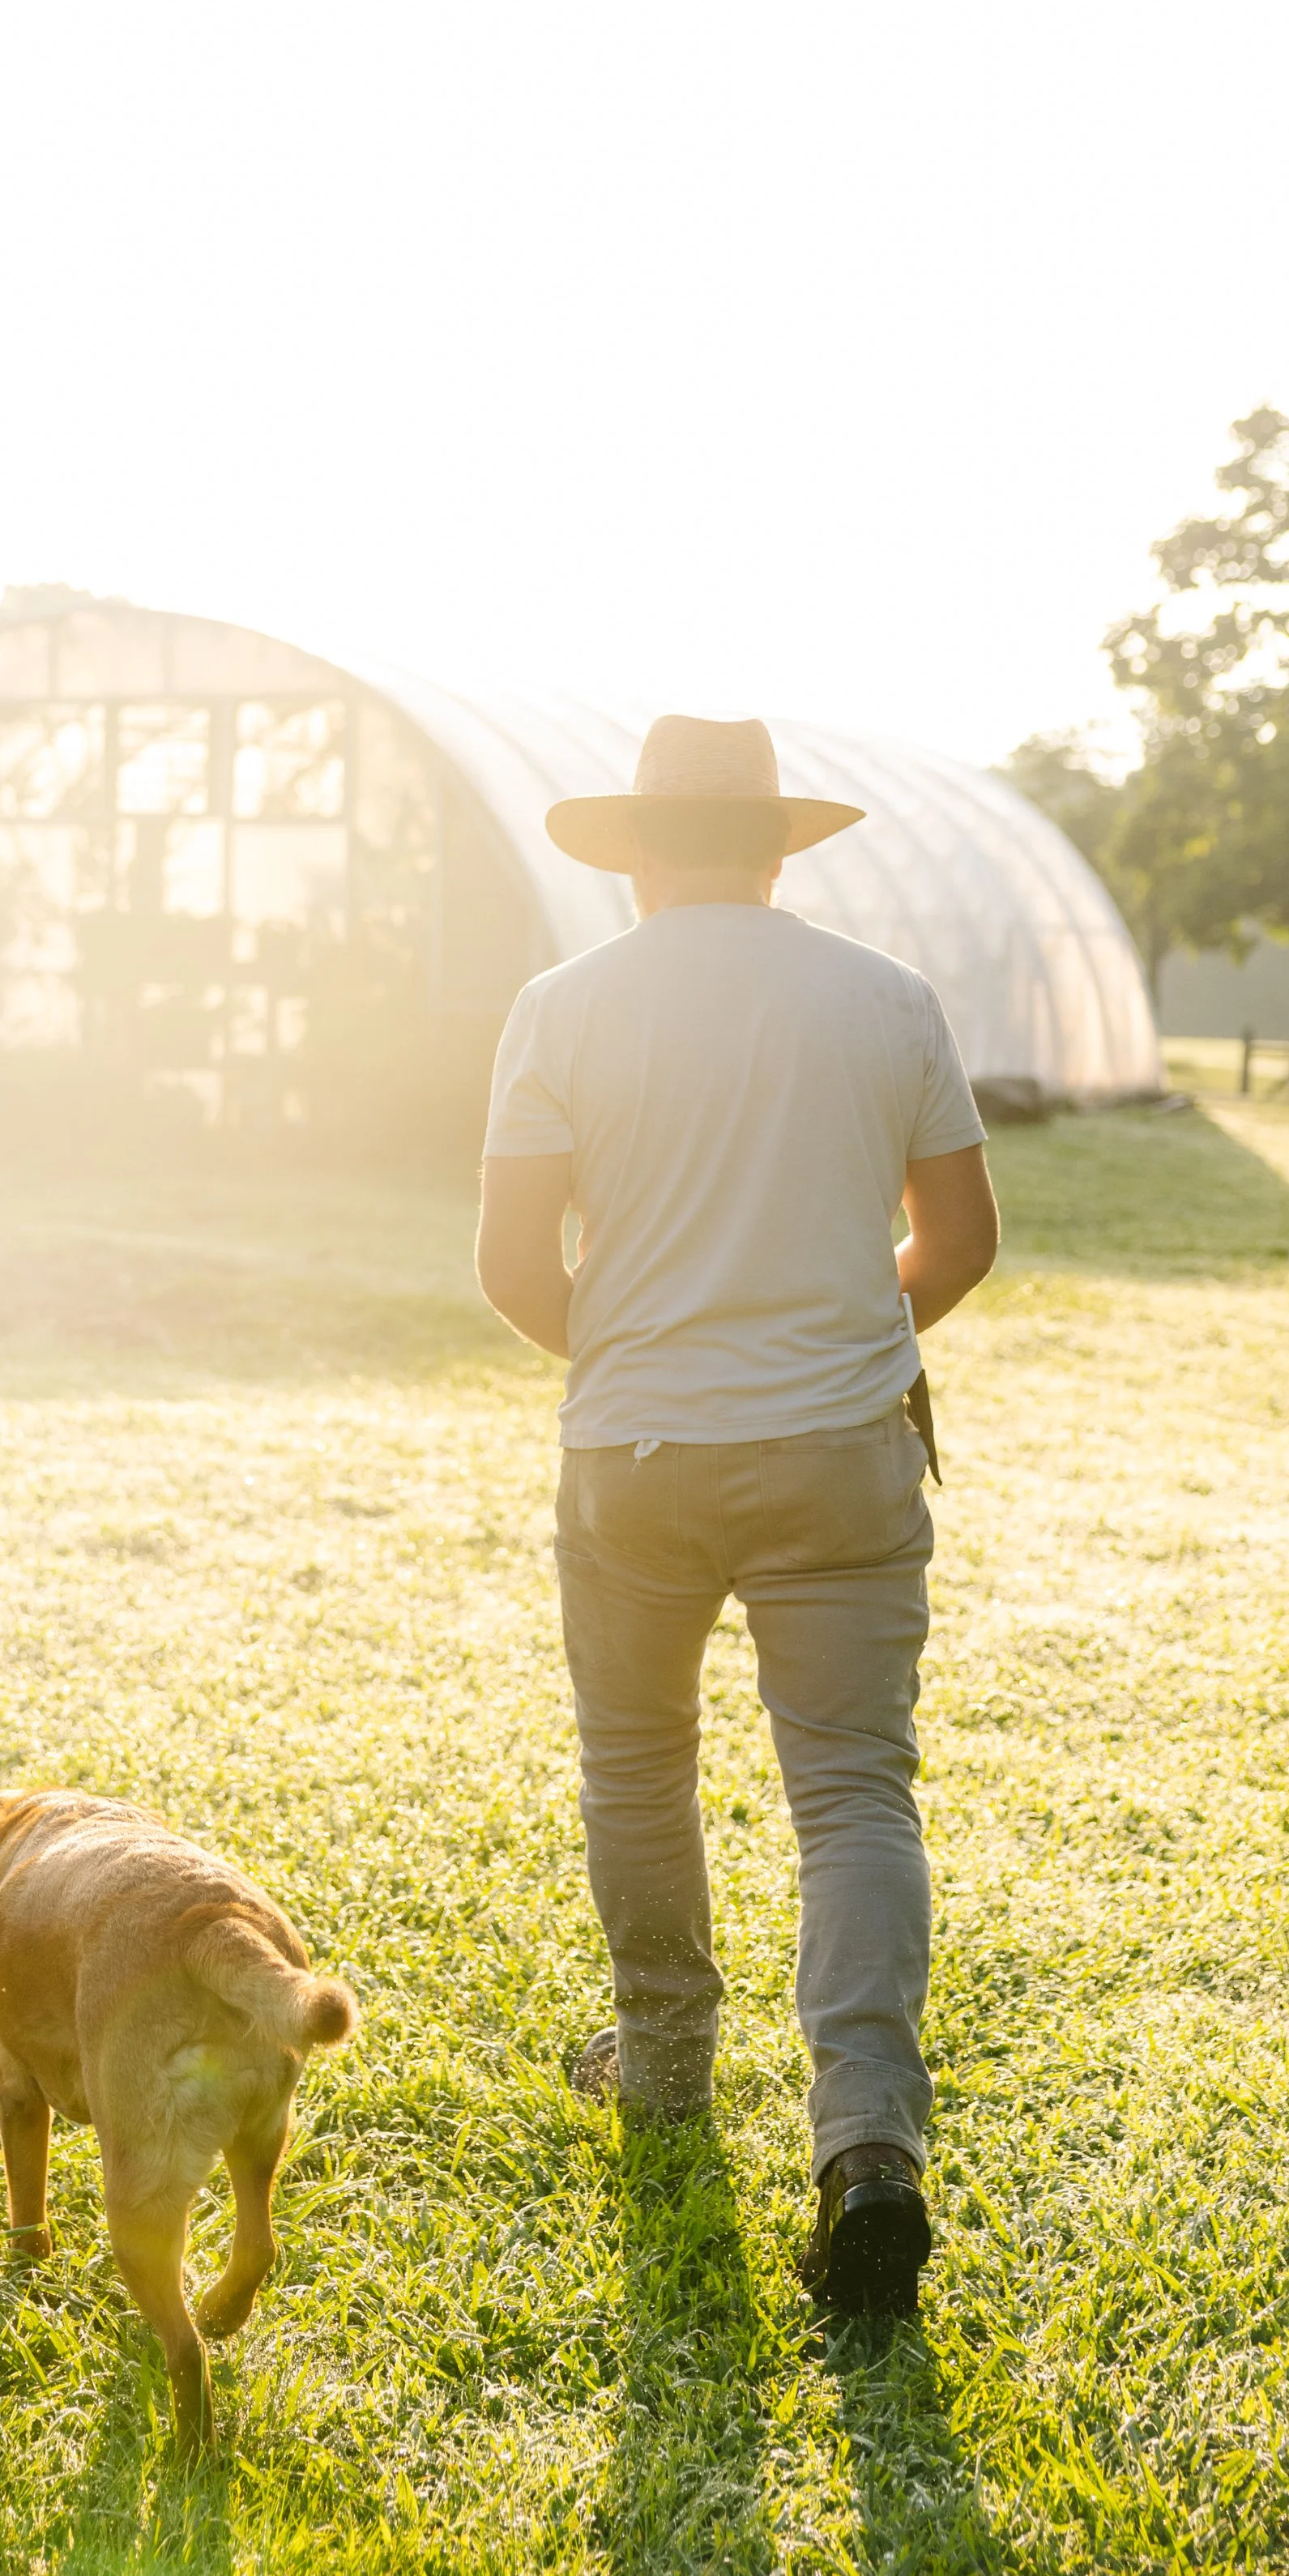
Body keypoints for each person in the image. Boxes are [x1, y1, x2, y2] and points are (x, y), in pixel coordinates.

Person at [475, 714, 998, 2318]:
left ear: (631, 855)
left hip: (631, 1454)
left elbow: (509, 1266)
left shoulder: (558, 1008)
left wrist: (645, 1363)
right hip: (842, 1443)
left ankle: (661, 2058)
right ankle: (866, 2144)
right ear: (779, 847)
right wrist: (830, 1342)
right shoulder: (883, 998)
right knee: (851, 1794)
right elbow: (960, 1239)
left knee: (637, 1762)